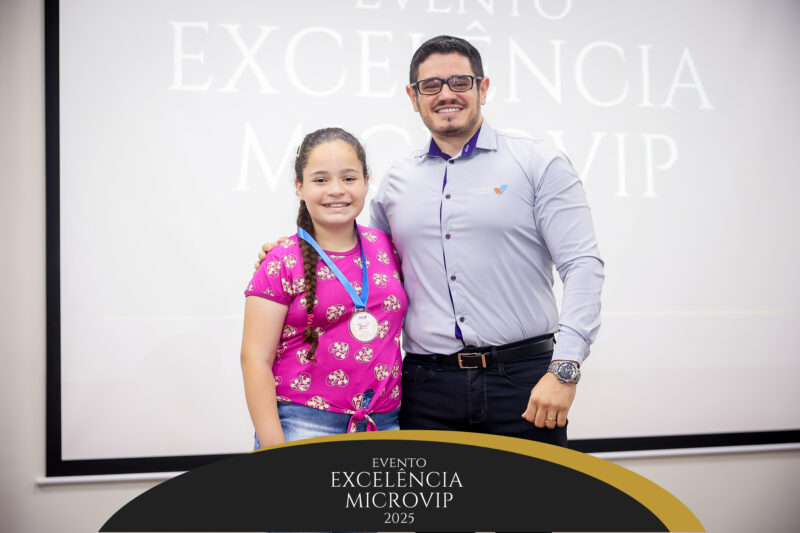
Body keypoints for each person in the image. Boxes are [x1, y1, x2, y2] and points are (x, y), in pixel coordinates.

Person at [258, 36, 603, 447]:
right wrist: (296, 253)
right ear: (413, 96)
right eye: (431, 85)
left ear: (483, 88)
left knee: (531, 493)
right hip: (426, 390)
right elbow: (366, 260)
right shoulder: (396, 182)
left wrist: (565, 368)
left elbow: (583, 265)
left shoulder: (537, 162)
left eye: (460, 82)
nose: (446, 94)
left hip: (524, 382)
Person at [241, 127, 407, 449]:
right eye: (320, 180)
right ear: (299, 187)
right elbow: (254, 359)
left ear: (366, 182)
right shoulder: (281, 260)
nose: (336, 190)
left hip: (384, 422)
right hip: (303, 425)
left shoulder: (389, 247)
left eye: (349, 178)